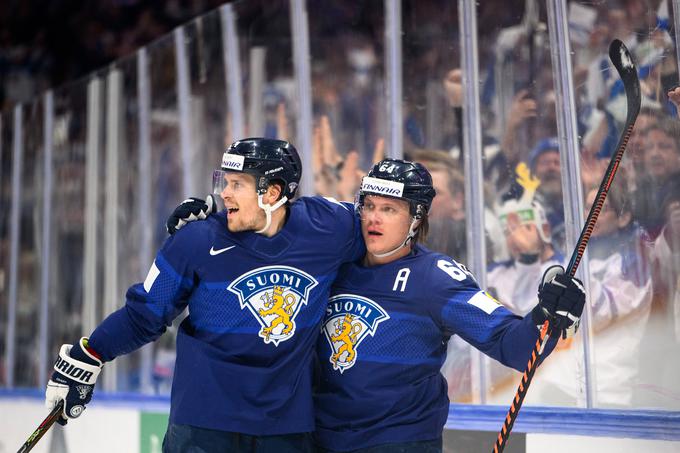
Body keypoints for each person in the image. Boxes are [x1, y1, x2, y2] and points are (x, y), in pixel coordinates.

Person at [44, 138, 365, 452]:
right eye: (225, 182)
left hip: (286, 431)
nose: (224, 192)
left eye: (238, 184)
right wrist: (92, 353)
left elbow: (382, 228)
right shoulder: (195, 241)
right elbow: (143, 315)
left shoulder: (328, 228)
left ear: (273, 192)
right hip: (204, 427)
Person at [312, 159, 586, 452]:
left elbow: (514, 346)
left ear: (416, 217)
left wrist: (545, 315)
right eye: (368, 206)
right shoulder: (335, 266)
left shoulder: (435, 278)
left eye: (389, 209)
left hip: (397, 442)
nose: (373, 218)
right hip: (322, 440)